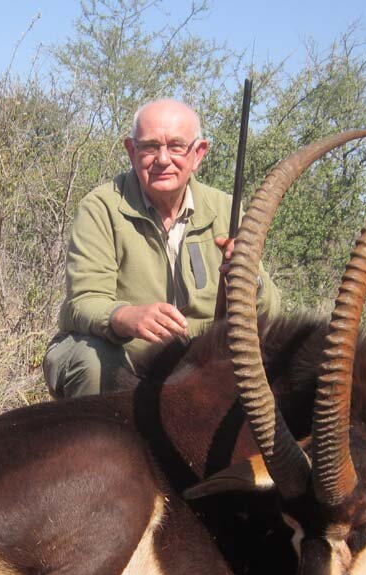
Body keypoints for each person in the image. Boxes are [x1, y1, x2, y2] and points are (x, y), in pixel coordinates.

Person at [43, 99, 280, 398]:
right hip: (125, 355)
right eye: (150, 147)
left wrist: (249, 280)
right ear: (132, 151)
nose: (163, 159)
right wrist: (126, 317)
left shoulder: (226, 209)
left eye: (177, 146)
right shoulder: (101, 207)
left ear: (198, 154)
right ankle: (97, 443)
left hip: (195, 363)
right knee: (92, 360)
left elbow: (271, 310)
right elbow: (82, 303)